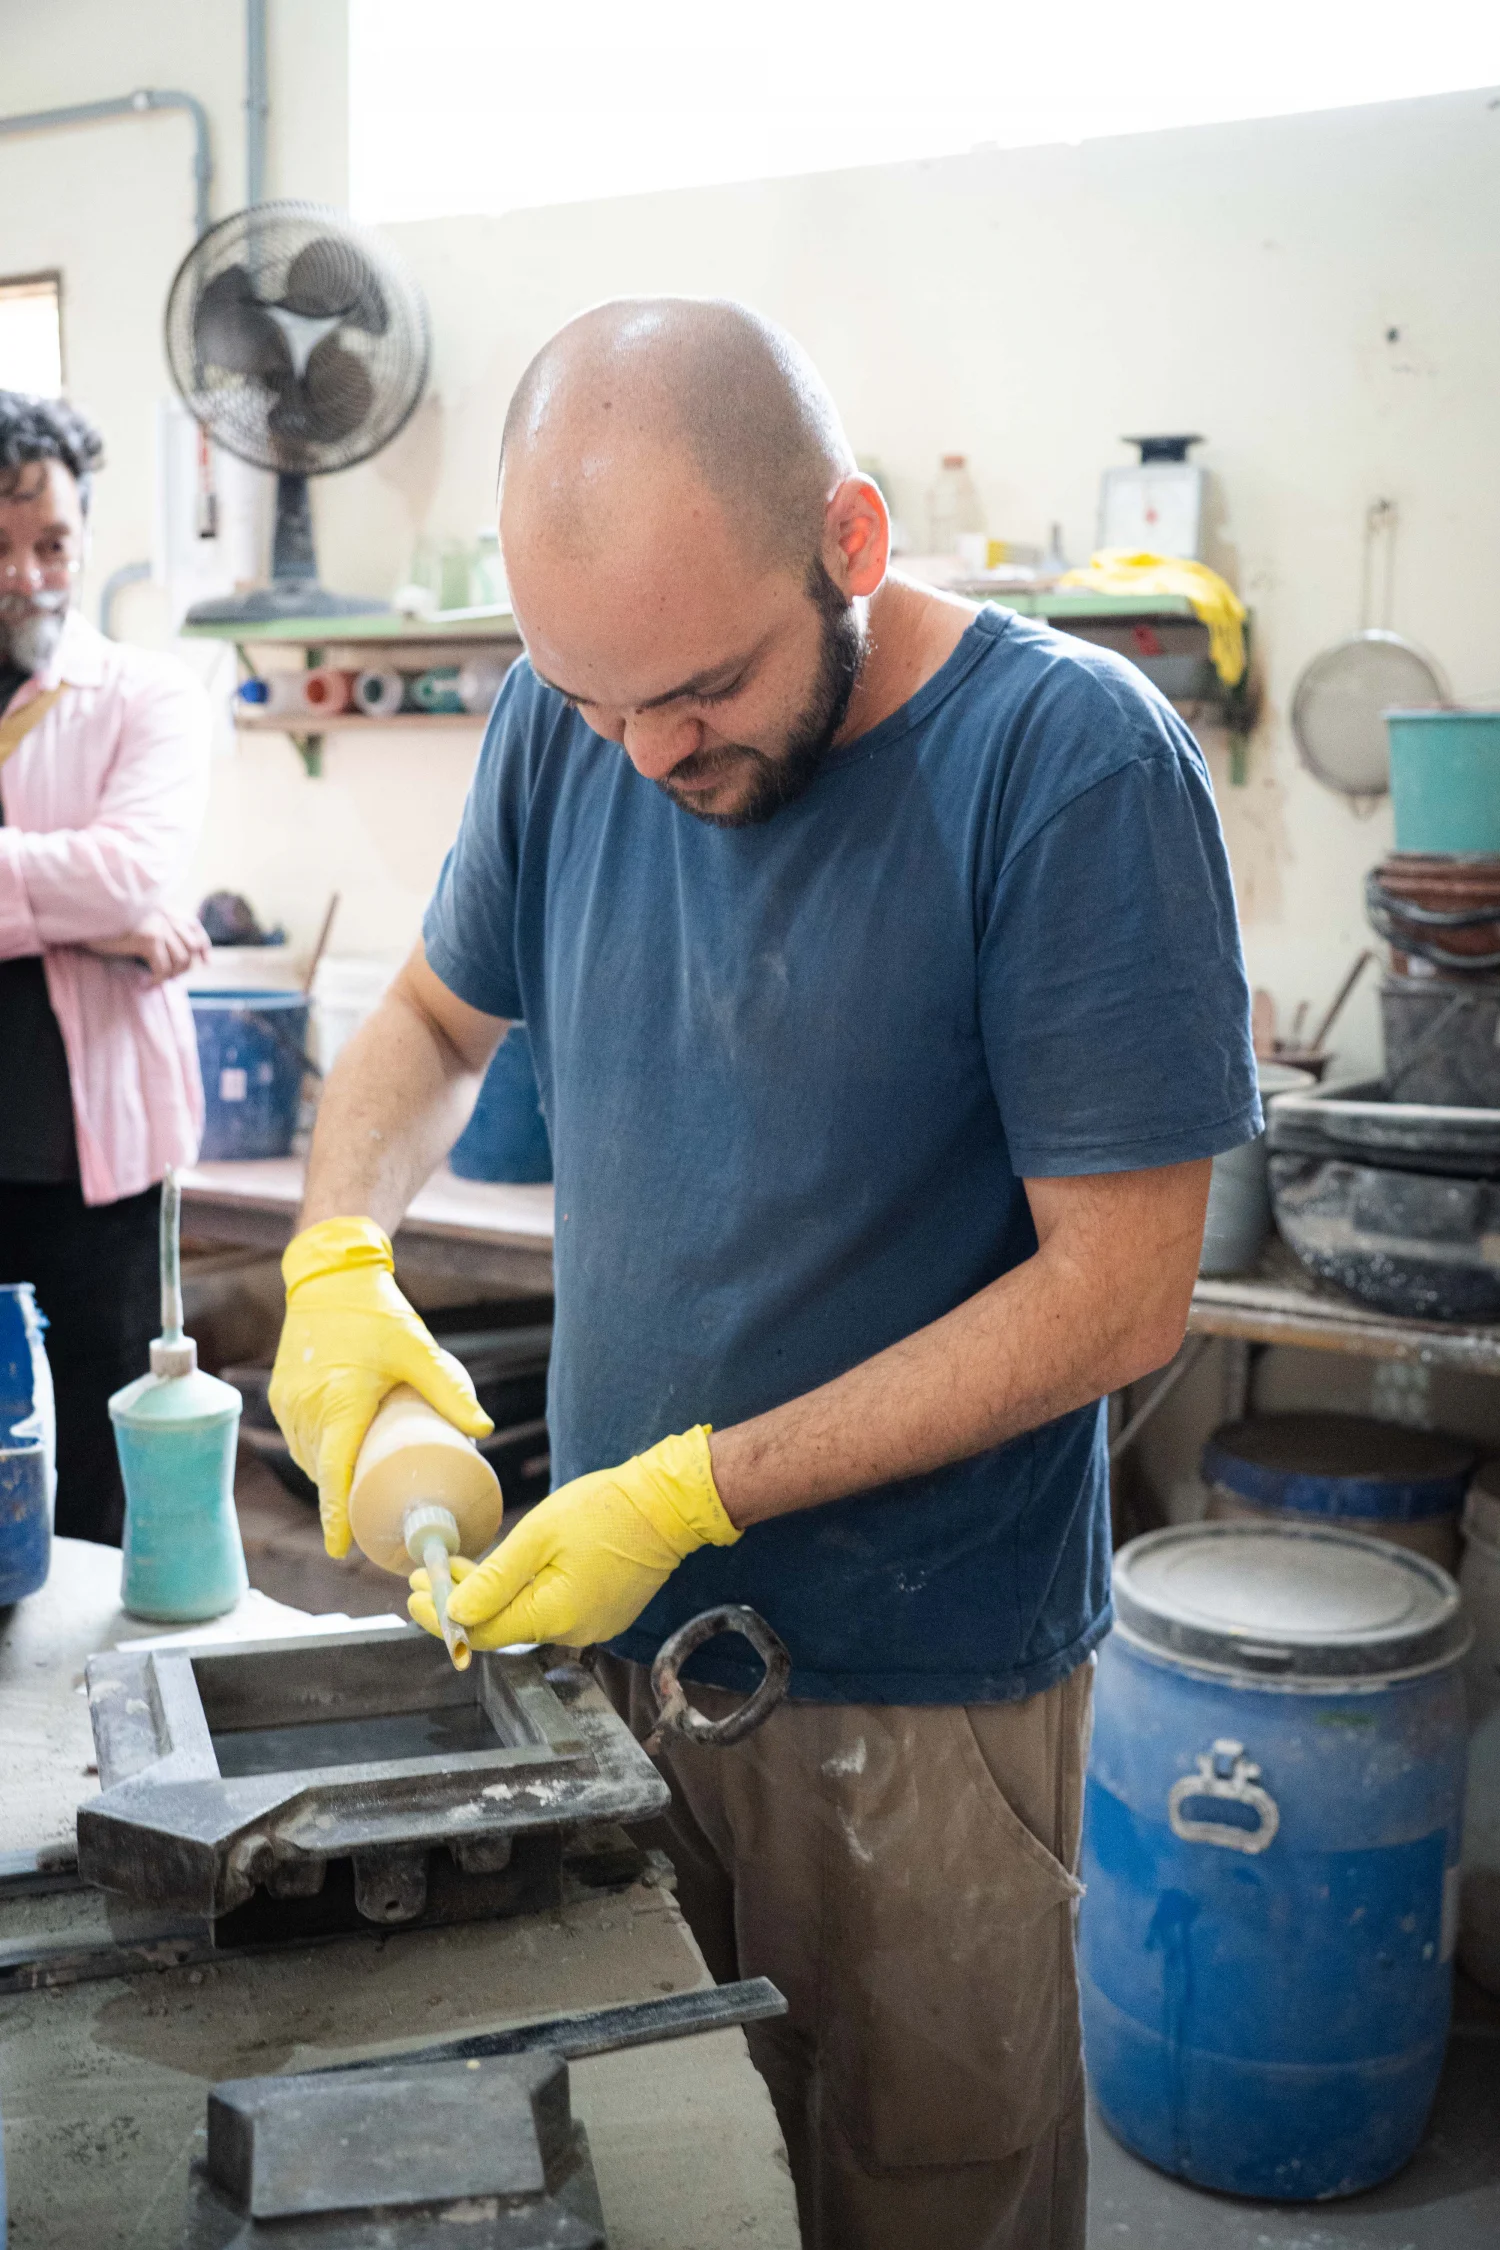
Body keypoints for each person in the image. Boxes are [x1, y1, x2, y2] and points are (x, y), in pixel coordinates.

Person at [269, 300, 1258, 2250]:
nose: (647, 755)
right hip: (609, 1665)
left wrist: (688, 1490)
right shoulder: (574, 724)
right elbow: (430, 1028)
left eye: (702, 690)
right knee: (656, 2185)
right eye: (594, 699)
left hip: (923, 1701)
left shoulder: (1066, 767)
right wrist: (332, 1252)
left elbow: (1120, 1296)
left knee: (925, 2197)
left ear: (851, 542)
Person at [0, 392, 211, 1545]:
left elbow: (133, 871)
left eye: (53, 544)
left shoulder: (145, 695)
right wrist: (83, 914)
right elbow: (110, 888)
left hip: (94, 1173)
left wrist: (114, 905)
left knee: (94, 1471)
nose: (26, 577)